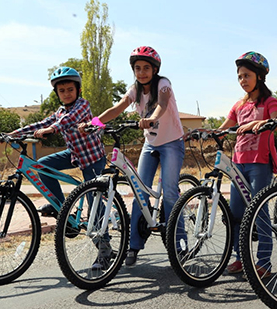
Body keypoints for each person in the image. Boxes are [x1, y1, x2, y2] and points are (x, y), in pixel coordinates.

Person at [81, 46, 185, 267]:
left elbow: (162, 104)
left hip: (172, 143)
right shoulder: (135, 90)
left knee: (169, 193)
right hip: (151, 144)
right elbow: (117, 108)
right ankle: (134, 246)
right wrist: (93, 122)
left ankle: (179, 245)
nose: (142, 72)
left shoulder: (163, 84)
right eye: (137, 68)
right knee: (139, 191)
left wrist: (152, 118)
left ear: (155, 69)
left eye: (146, 68)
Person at [10, 67, 106, 218]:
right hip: (74, 154)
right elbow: (42, 124)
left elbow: (69, 119)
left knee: (94, 202)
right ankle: (61, 208)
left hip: (92, 158)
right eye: (62, 91)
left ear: (78, 90)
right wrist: (13, 134)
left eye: (70, 90)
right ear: (57, 93)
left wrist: (51, 129)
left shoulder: (83, 105)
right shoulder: (60, 112)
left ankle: (104, 231)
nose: (66, 94)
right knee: (42, 165)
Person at [218, 51, 277, 278]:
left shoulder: (269, 101)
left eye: (247, 75)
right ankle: (240, 257)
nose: (242, 80)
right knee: (236, 214)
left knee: (259, 211)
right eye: (239, 76)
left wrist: (260, 122)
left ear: (259, 77)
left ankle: (264, 263)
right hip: (238, 163)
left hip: (259, 163)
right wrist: (205, 132)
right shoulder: (239, 105)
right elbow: (224, 127)